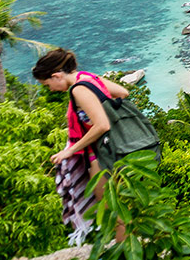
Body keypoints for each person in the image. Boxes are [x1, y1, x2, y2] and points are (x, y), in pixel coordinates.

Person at [33, 48, 130, 241]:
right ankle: (127, 246)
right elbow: (122, 92)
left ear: (56, 76)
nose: (50, 89)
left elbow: (102, 124)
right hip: (117, 148)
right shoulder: (87, 77)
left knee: (110, 207)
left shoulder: (78, 90)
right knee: (121, 203)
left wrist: (69, 152)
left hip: (100, 154)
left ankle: (125, 250)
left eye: (47, 84)